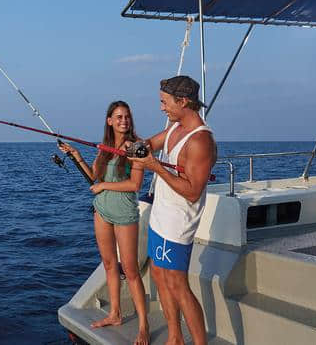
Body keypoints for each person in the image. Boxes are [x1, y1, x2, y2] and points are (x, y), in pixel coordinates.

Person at [128, 75, 216, 345]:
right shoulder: (174, 127)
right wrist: (129, 146)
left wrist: (156, 168)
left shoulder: (200, 141)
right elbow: (149, 145)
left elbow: (192, 192)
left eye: (165, 102)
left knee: (179, 285)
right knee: (158, 274)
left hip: (178, 224)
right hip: (160, 217)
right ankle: (175, 336)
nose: (161, 107)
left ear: (183, 101)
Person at [59, 101, 149, 345]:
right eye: (118, 117)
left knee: (130, 270)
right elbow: (93, 178)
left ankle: (143, 326)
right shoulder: (105, 148)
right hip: (102, 211)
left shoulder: (137, 147)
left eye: (127, 117)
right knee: (109, 264)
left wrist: (104, 186)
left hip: (124, 213)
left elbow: (135, 185)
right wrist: (76, 155)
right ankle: (115, 314)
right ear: (109, 120)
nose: (124, 121)